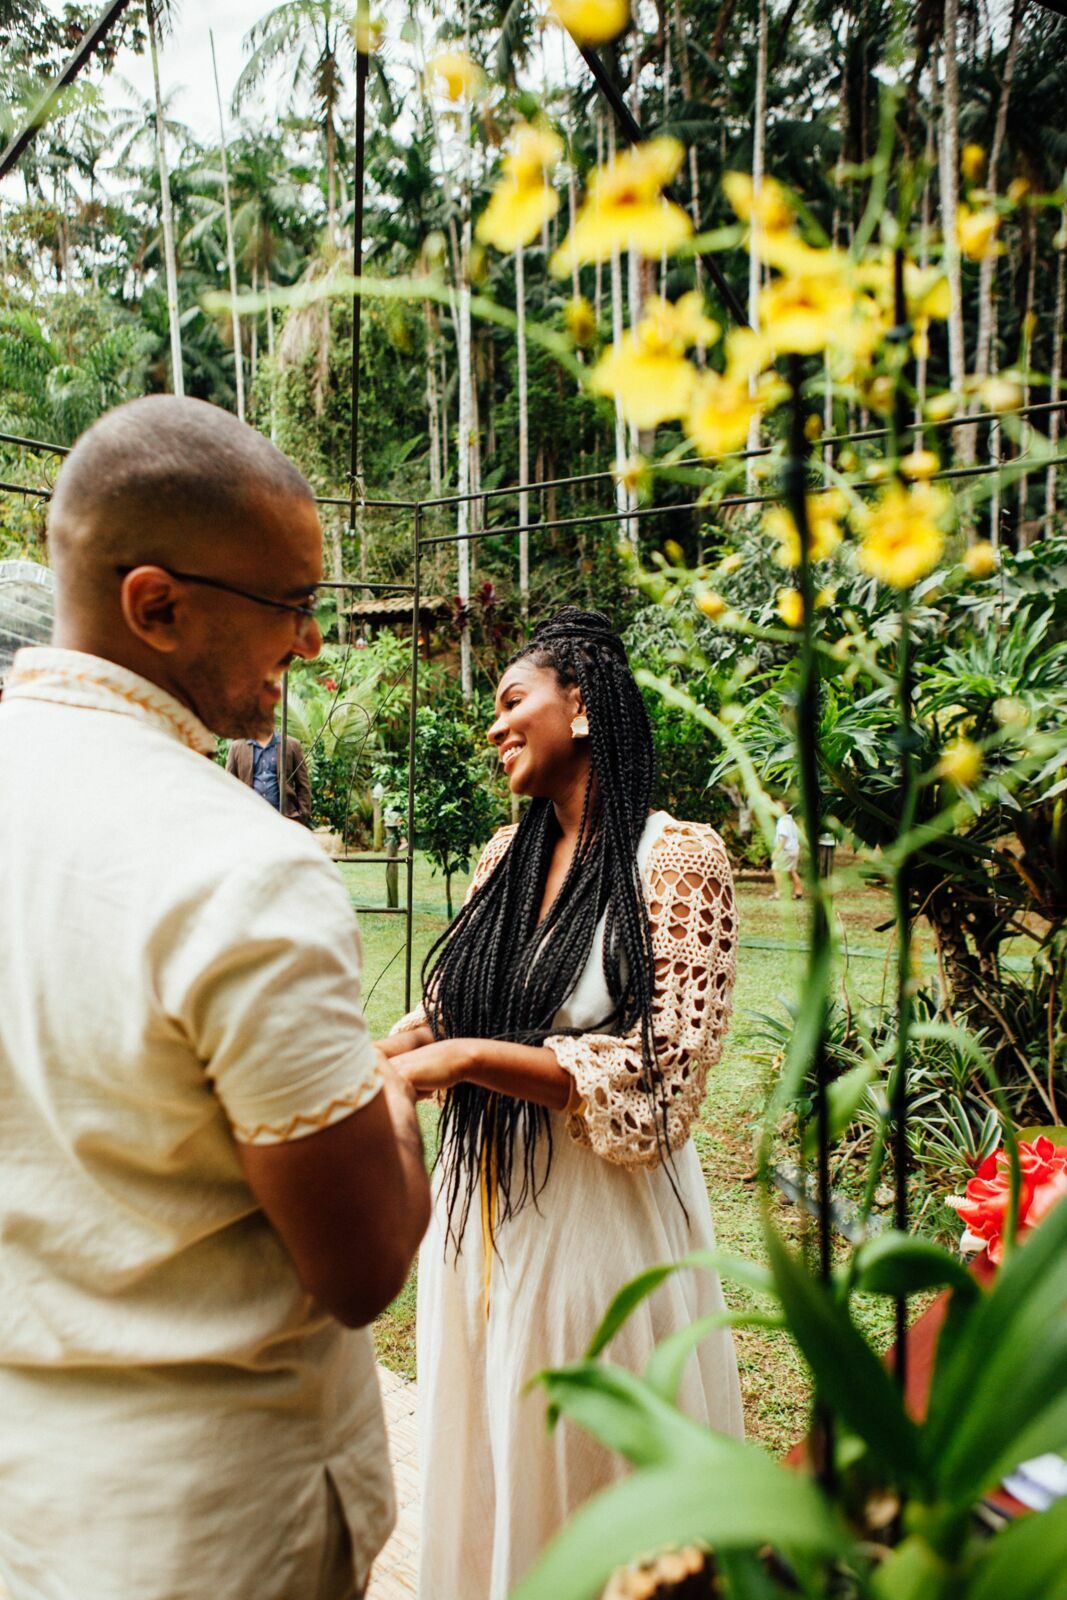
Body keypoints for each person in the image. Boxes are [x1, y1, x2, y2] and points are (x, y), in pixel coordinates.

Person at [0, 396, 431, 1600]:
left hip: (31, 1495)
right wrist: (392, 1095)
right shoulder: (239, 866)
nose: (311, 642)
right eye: (292, 604)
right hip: (215, 1523)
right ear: (158, 603)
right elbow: (360, 1267)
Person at [379, 608, 743, 1600]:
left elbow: (660, 1071)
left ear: (578, 703)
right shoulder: (505, 858)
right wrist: (374, 1058)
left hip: (594, 1227)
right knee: (489, 1451)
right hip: (478, 1222)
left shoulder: (674, 860)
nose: (494, 727)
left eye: (511, 701)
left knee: (581, 1457)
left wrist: (459, 1059)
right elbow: (449, 1009)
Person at [227, 722, 313, 825]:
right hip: (249, 819)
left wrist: (302, 816)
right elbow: (228, 785)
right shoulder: (237, 747)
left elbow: (303, 785)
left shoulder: (292, 745)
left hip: (285, 819)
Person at [771, 802, 804, 900]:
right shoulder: (791, 821)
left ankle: (780, 892)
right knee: (792, 871)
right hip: (794, 849)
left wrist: (776, 852)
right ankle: (798, 891)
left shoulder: (783, 822)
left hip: (786, 850)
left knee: (776, 869)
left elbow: (783, 838)